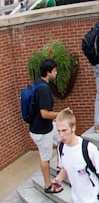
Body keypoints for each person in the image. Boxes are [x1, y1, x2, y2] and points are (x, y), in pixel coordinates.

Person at [28, 58, 63, 194]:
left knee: (61, 139)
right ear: (48, 72)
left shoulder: (38, 84)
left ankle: (61, 165)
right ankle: (48, 186)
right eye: (54, 71)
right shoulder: (44, 90)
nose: (56, 73)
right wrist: (61, 114)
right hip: (42, 131)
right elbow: (44, 114)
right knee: (45, 158)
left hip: (46, 127)